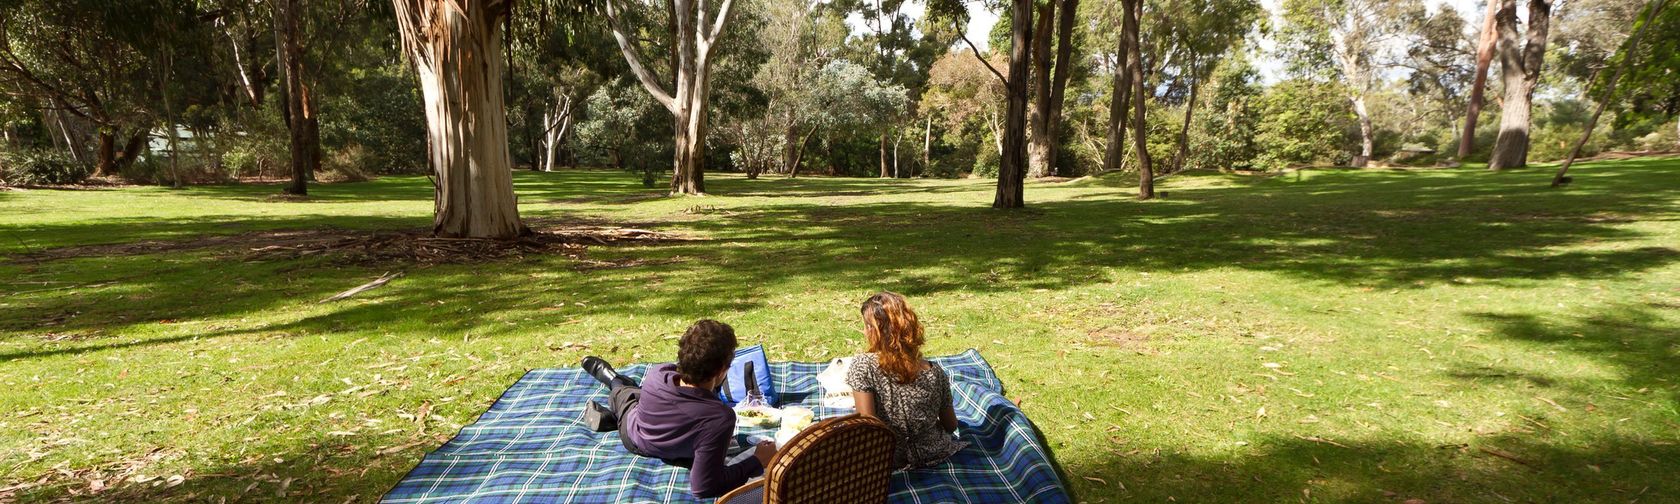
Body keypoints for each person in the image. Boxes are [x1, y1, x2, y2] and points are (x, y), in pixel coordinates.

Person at [581, 320, 776, 498]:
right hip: (637, 436)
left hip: (641, 430)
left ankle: (613, 406)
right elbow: (704, 487)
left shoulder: (658, 374)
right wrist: (757, 460)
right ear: (720, 371)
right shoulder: (719, 418)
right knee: (624, 393)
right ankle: (613, 381)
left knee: (631, 394)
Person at [847, 292, 967, 469]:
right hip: (934, 453)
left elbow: (869, 427)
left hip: (889, 459)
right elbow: (951, 425)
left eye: (866, 326)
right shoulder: (935, 372)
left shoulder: (863, 366)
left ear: (875, 331)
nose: (864, 331)